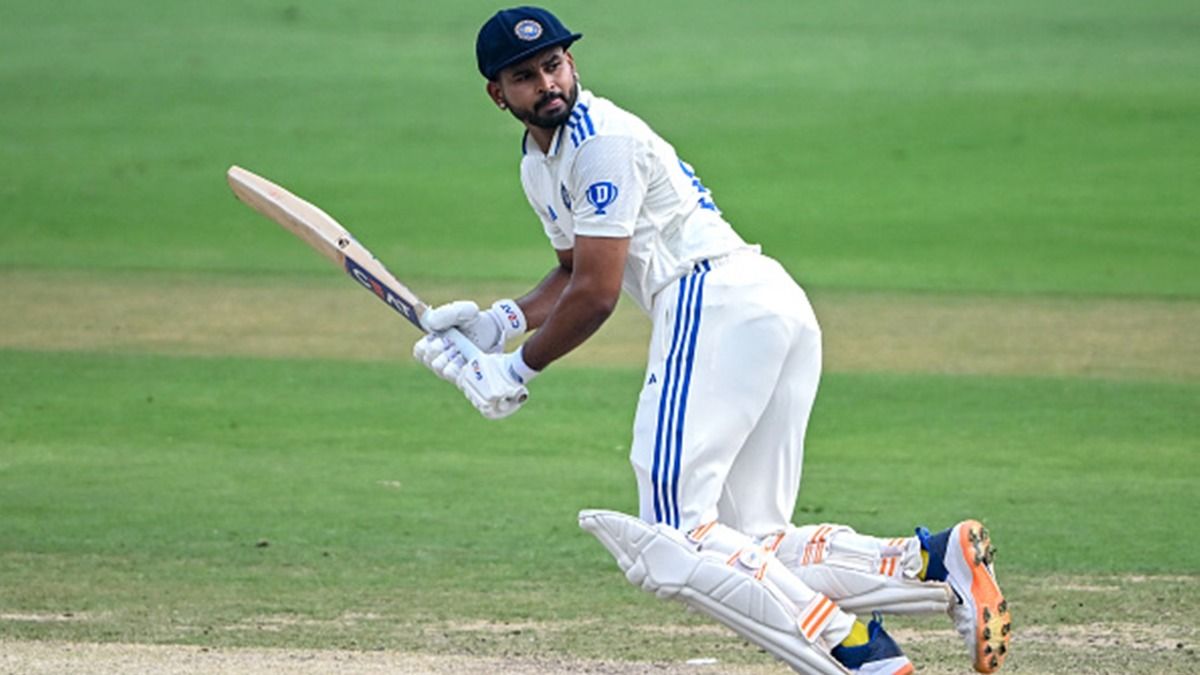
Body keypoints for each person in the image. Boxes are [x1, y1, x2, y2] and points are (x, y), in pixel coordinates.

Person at [413, 7, 1010, 674]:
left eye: (554, 65)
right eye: (526, 76)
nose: (547, 83)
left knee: (673, 536)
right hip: (763, 302)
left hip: (713, 301)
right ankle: (934, 560)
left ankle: (856, 652)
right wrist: (500, 322)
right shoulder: (539, 163)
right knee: (746, 541)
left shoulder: (601, 141)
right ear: (499, 94)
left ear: (573, 64)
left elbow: (599, 293)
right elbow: (570, 270)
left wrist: (517, 367)